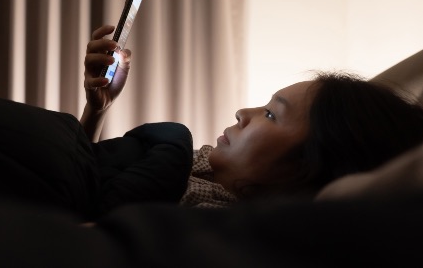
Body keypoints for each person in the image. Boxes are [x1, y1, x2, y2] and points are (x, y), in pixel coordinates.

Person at [81, 24, 423, 207]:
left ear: (305, 167)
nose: (243, 113)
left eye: (272, 115)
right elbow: (81, 178)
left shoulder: (211, 235)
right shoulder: (187, 169)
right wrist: (97, 112)